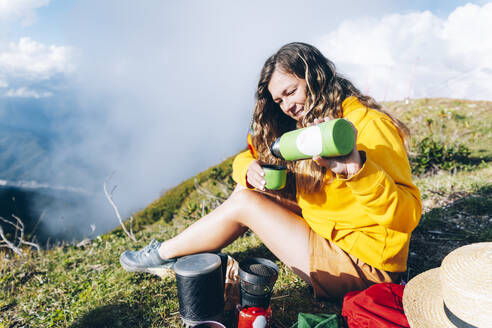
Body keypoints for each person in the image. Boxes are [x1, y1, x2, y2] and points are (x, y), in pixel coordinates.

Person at [120, 42, 422, 300]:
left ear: (315, 77)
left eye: (291, 92)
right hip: (334, 234)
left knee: (245, 203)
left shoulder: (369, 125)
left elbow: (408, 216)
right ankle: (178, 253)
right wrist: (247, 170)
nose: (287, 106)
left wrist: (358, 171)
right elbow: (251, 156)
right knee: (246, 191)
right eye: (279, 100)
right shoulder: (310, 128)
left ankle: (162, 255)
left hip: (366, 268)